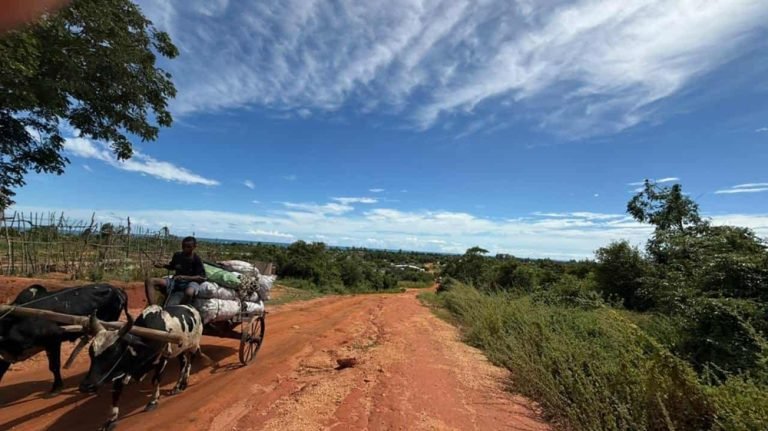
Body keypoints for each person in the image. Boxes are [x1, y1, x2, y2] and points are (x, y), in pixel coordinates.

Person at [144, 236, 206, 307]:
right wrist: (162, 265)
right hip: (176, 281)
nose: (185, 248)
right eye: (183, 246)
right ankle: (153, 307)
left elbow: (202, 277)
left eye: (188, 247)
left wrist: (184, 277)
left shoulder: (196, 259)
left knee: (189, 292)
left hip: (190, 282)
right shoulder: (177, 255)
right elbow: (172, 267)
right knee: (150, 281)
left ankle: (179, 309)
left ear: (194, 247)